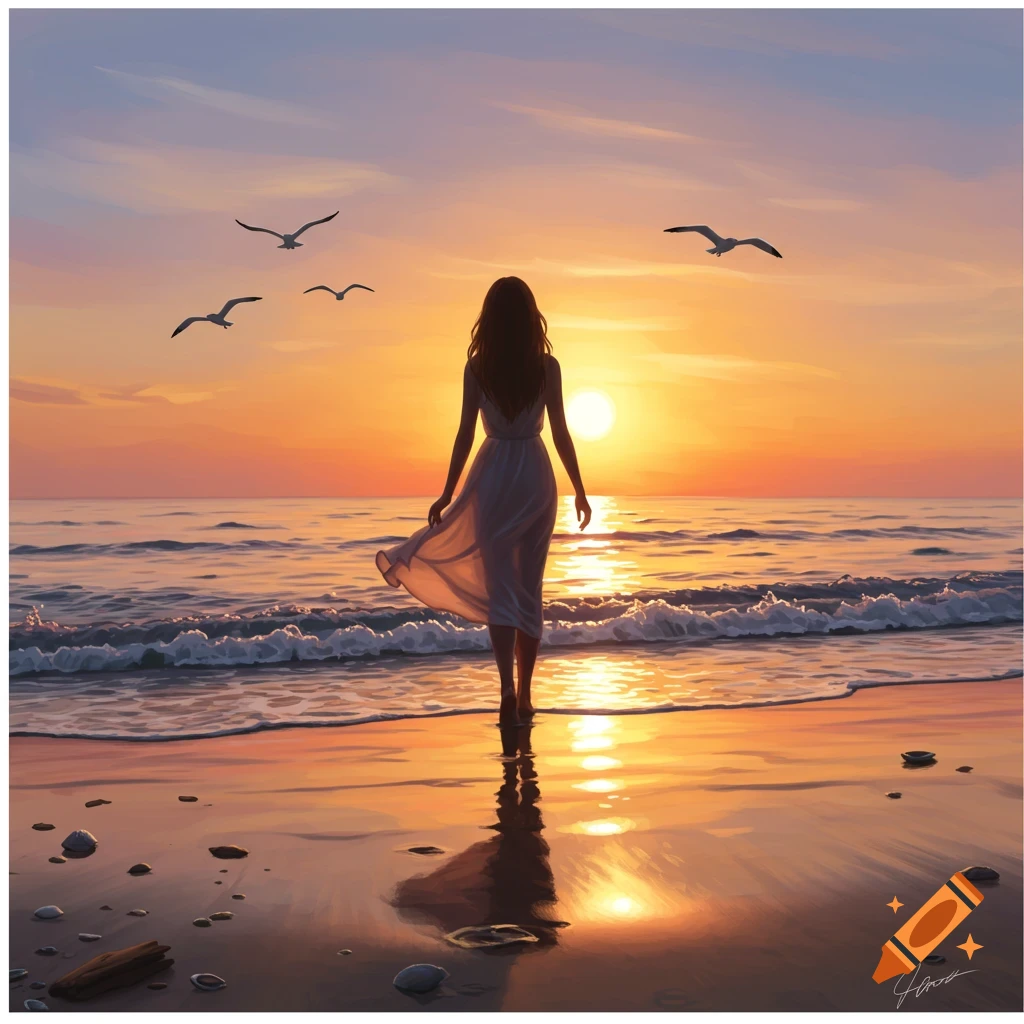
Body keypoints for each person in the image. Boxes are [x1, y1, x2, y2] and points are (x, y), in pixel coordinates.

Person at [376, 276, 591, 724]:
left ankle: (506, 690)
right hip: (534, 475)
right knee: (529, 591)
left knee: (499, 592)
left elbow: (464, 434)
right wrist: (581, 490)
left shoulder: (478, 368)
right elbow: (561, 432)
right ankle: (528, 695)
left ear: (489, 319)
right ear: (532, 316)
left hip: (492, 476)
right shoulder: (547, 367)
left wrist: (448, 492)